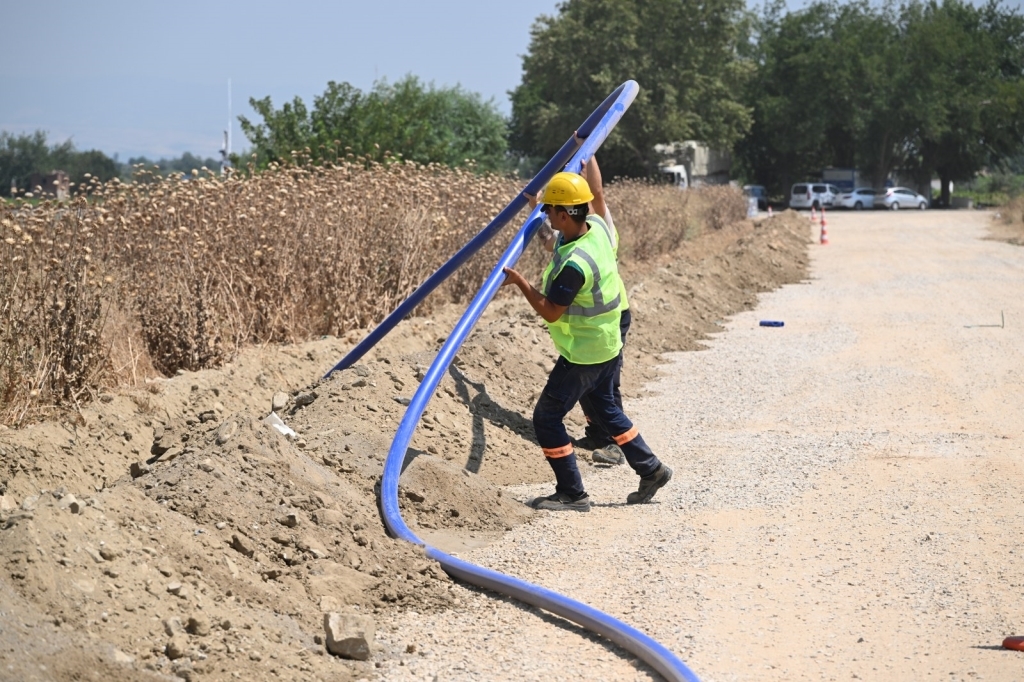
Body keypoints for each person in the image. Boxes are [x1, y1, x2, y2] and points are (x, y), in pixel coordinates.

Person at [502, 171, 672, 511]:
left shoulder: (575, 266)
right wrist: (536, 206)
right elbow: (567, 224)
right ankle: (651, 469)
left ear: (565, 215)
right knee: (606, 409)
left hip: (585, 354)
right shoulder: (595, 229)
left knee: (547, 418)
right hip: (607, 342)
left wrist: (520, 282)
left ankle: (572, 493)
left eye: (551, 210)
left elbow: (551, 312)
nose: (547, 215)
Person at [535, 155, 630, 466]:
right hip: (595, 322)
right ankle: (600, 433)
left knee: (605, 384)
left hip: (609, 318)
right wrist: (536, 209)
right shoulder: (578, 234)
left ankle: (617, 444)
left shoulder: (599, 228)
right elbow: (549, 238)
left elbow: (597, 195)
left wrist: (588, 154)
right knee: (595, 384)